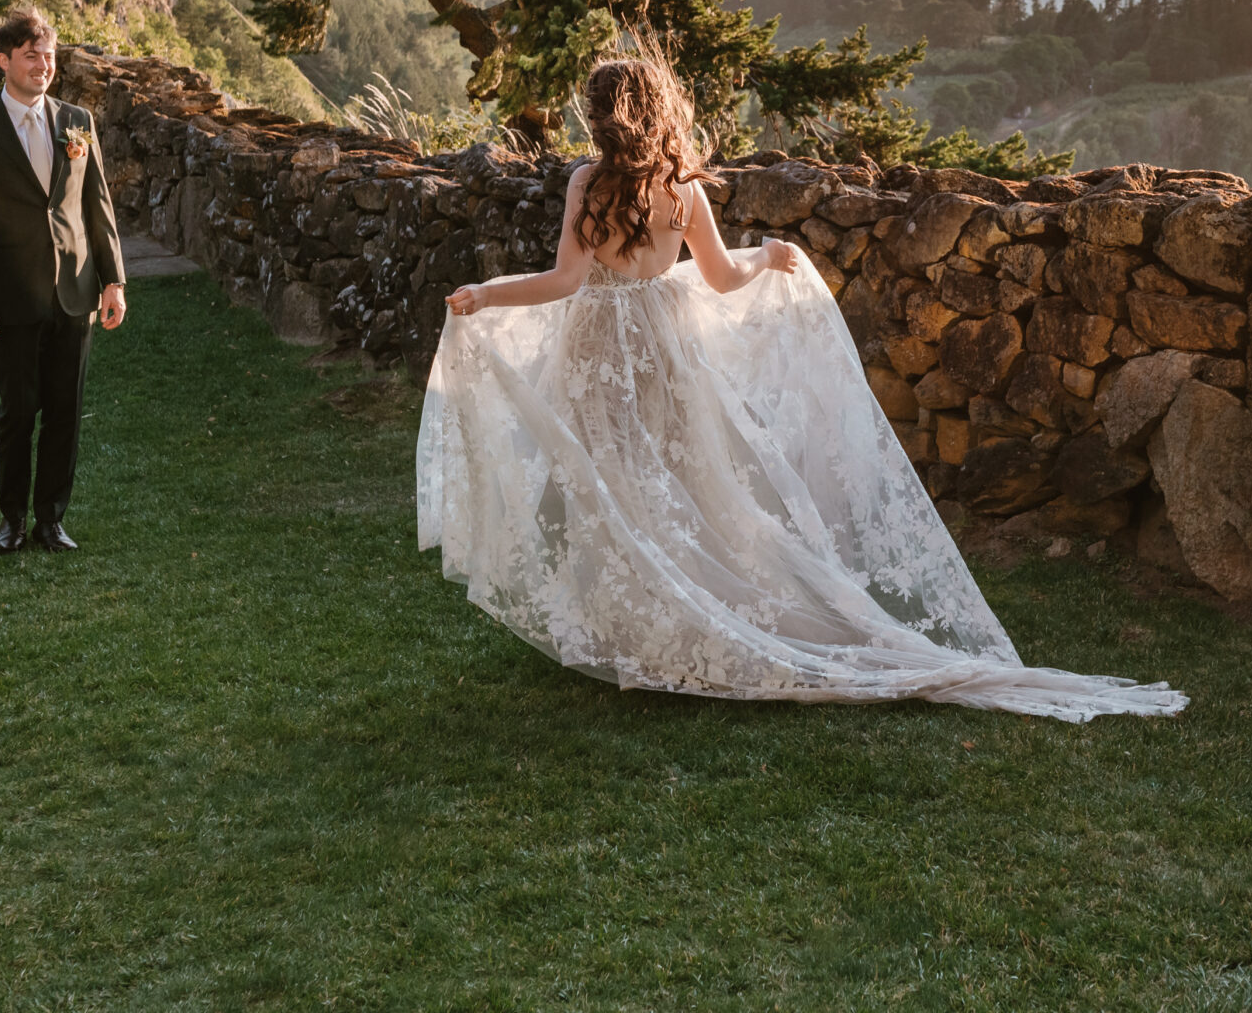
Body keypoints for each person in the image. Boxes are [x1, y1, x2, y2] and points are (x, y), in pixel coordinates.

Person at [419, 56, 1185, 721]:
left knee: (615, 480)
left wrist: (485, 293)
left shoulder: (588, 184)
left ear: (601, 121)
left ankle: (649, 626)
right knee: (675, 481)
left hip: (597, 352)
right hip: (663, 348)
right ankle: (655, 622)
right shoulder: (685, 191)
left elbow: (563, 282)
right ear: (658, 115)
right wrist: (769, 256)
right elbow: (719, 278)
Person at [0, 8, 128, 555]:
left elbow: (99, 207)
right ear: (4, 61)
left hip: (75, 294)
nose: (44, 66)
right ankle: (13, 519)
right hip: (10, 298)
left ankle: (51, 519)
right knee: (18, 412)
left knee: (66, 411)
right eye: (31, 56)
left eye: (49, 56)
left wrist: (113, 281)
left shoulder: (77, 122)